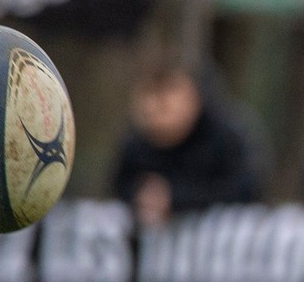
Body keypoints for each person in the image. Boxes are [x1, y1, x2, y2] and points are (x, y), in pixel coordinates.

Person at [110, 56, 260, 224]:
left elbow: (244, 188)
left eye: (165, 106)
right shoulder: (136, 145)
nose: (156, 115)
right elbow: (120, 186)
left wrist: (176, 198)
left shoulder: (225, 137)